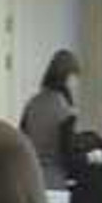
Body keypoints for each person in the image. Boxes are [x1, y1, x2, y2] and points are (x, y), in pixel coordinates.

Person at [19, 49, 82, 190]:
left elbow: (21, 142)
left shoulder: (32, 103)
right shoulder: (66, 110)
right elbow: (68, 154)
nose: (76, 85)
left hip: (30, 179)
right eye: (75, 79)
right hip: (55, 180)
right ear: (68, 77)